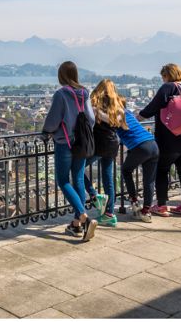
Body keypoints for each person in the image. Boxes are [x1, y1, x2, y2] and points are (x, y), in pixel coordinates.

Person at [139, 64, 181, 217]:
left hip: (172, 137)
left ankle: (161, 205)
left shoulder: (169, 87)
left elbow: (153, 107)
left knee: (162, 169)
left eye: (163, 77)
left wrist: (136, 119)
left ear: (168, 75)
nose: (163, 80)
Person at [42, 61, 97, 241]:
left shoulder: (61, 94)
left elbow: (53, 120)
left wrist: (47, 131)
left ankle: (83, 217)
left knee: (63, 180)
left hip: (65, 142)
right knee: (79, 180)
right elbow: (90, 118)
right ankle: (76, 225)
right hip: (82, 143)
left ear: (62, 76)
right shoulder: (84, 93)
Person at [83, 79, 126, 227]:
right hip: (113, 143)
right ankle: (109, 214)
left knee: (78, 169)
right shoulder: (119, 108)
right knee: (108, 179)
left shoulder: (94, 107)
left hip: (99, 144)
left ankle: (94, 197)